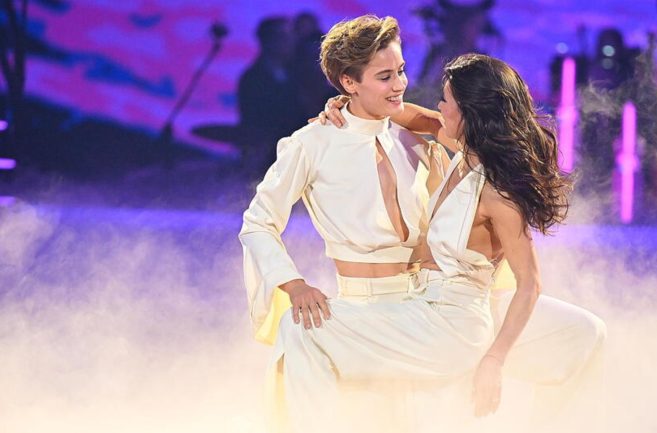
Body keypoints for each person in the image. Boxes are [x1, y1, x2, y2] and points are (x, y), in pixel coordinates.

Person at [271, 53, 606, 433]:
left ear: (469, 113)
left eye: (446, 100)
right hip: (429, 307)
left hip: (450, 327)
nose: (438, 107)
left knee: (302, 330)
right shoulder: (462, 149)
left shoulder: (497, 193)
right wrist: (349, 105)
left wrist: (494, 360)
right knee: (586, 332)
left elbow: (530, 283)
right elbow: (411, 115)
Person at [239, 14, 450, 432]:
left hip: (423, 307)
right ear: (349, 82)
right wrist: (293, 284)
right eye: (385, 76)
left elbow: (455, 132)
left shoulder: (414, 141)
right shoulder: (312, 143)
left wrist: (379, 110)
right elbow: (258, 223)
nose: (400, 84)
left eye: (401, 71)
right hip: (358, 310)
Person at [237, 16, 305, 177]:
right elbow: (255, 120)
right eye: (284, 37)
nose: (291, 42)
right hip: (266, 156)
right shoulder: (253, 78)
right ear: (268, 41)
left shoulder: (296, 74)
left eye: (292, 36)